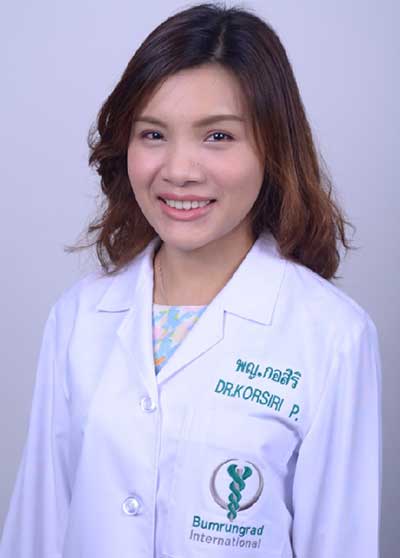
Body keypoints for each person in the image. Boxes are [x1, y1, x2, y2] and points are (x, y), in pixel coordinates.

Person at [0, 3, 382, 557]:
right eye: (153, 133)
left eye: (218, 136)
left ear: (273, 148)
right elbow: (37, 529)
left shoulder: (333, 336)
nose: (178, 170)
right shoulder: (79, 317)